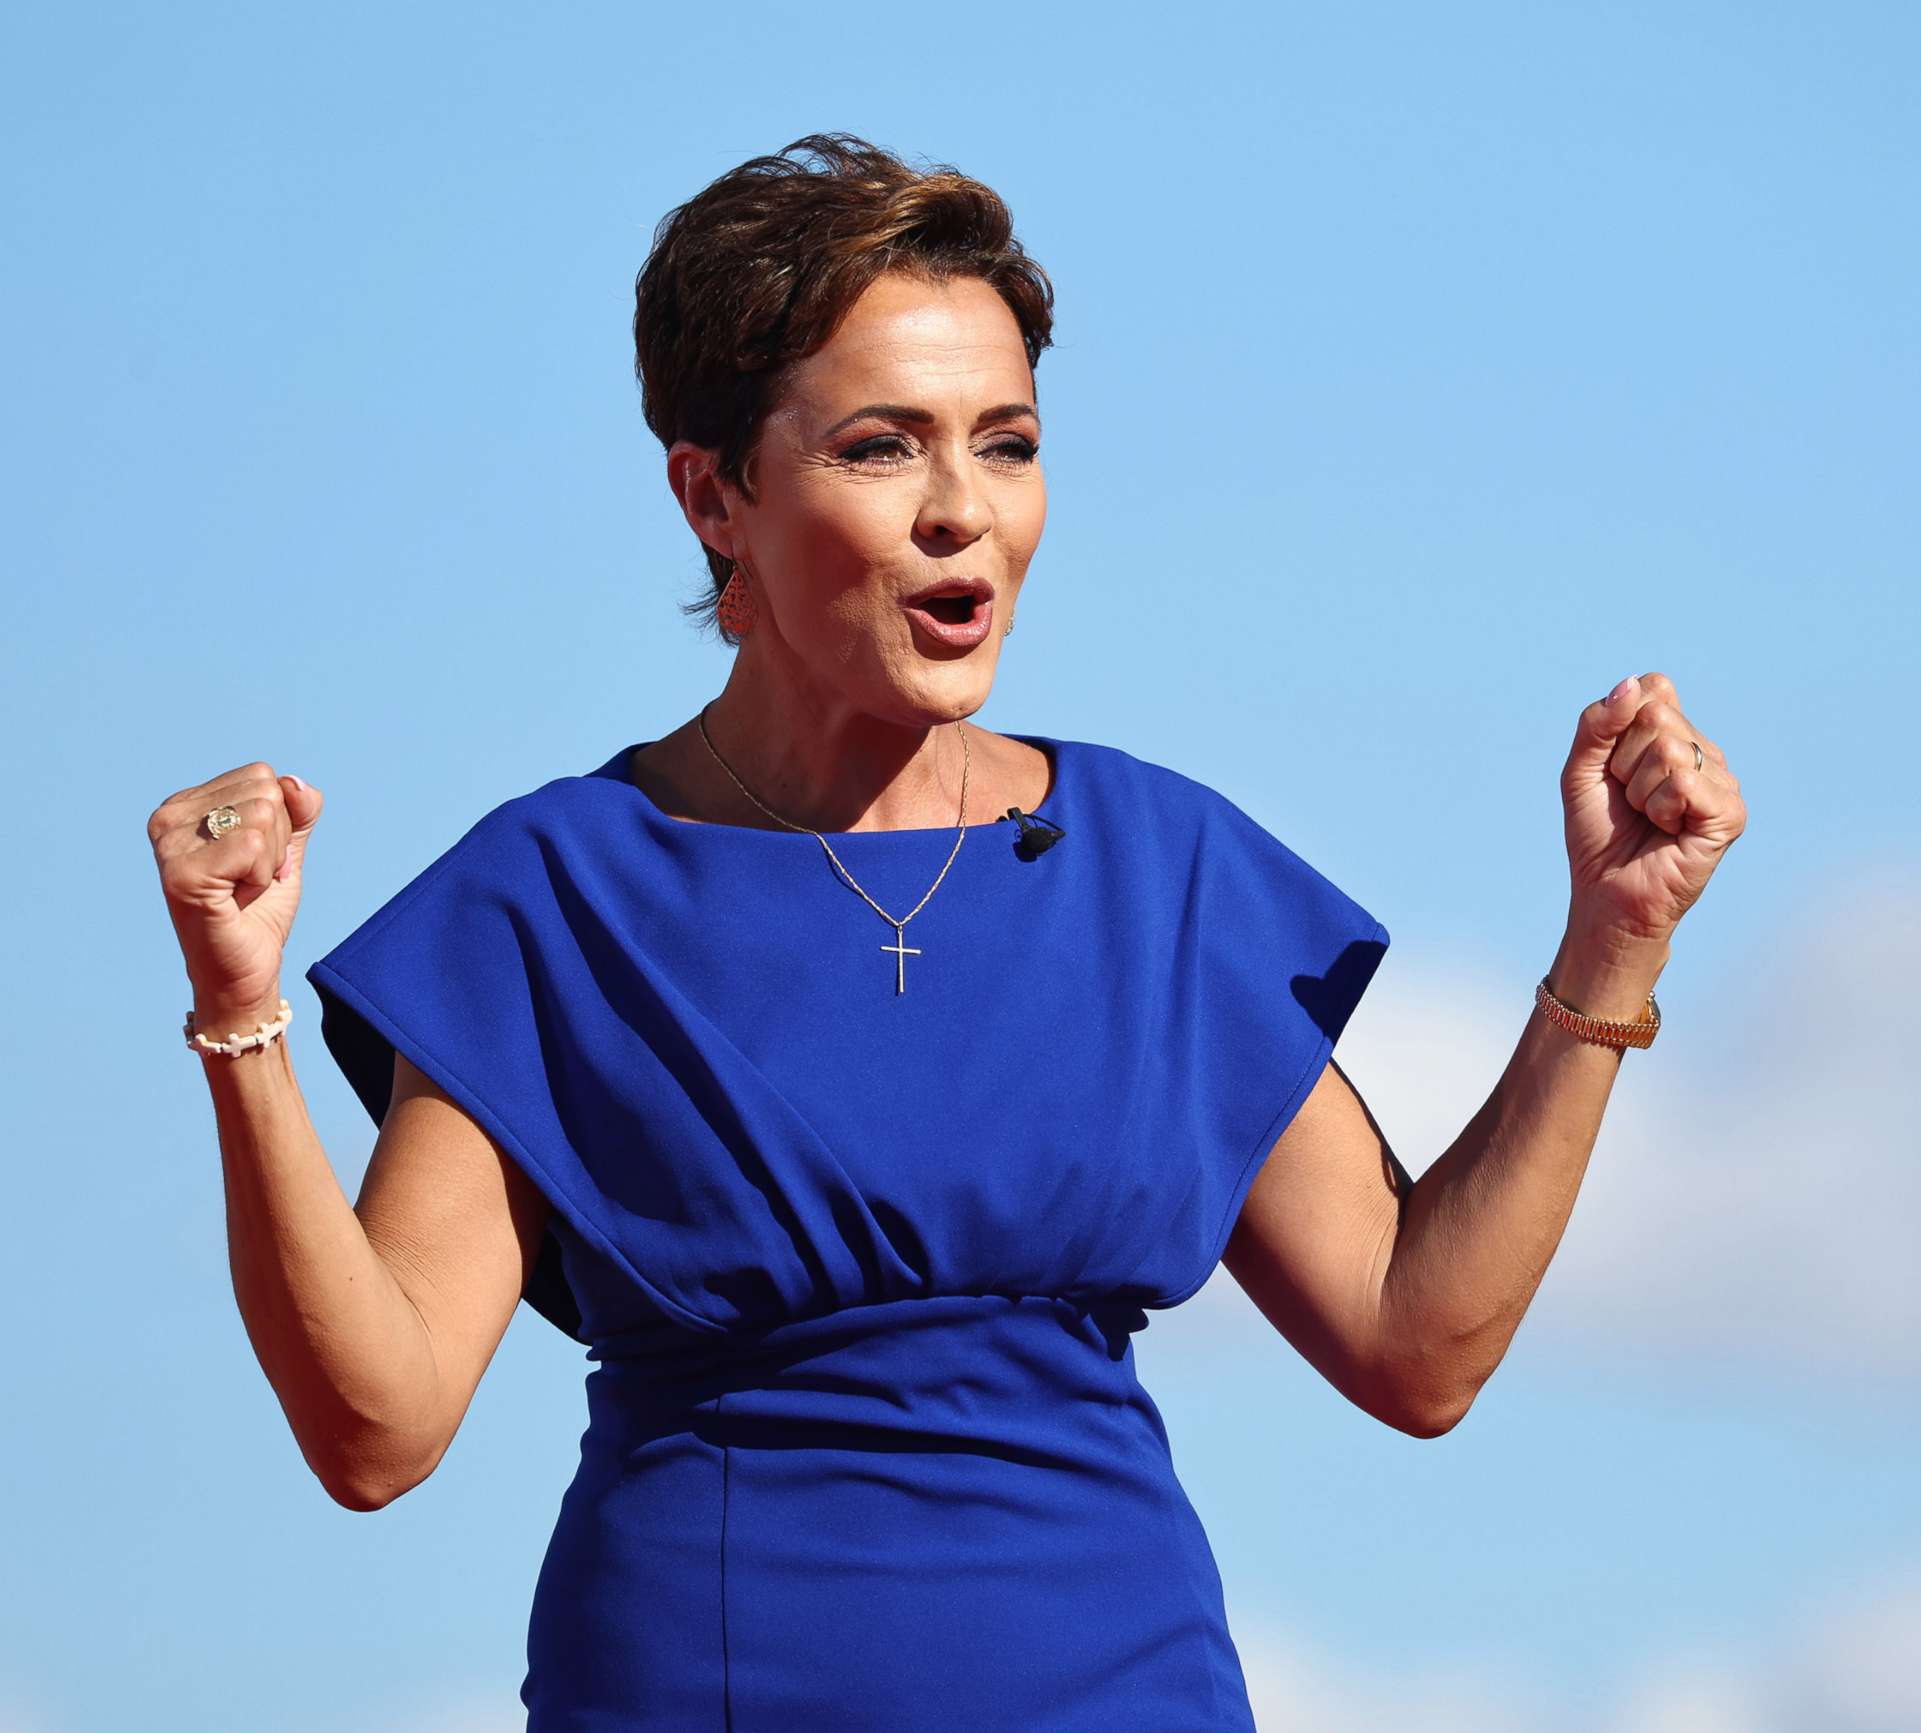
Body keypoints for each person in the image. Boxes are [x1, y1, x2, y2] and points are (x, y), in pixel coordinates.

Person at [148, 132, 1745, 1730]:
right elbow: (377, 1427)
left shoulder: (1155, 867)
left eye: (1008, 442)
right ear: (716, 495)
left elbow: (1418, 1340)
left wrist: (1613, 943)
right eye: (880, 448)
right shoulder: (558, 897)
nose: (962, 513)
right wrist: (242, 1013)